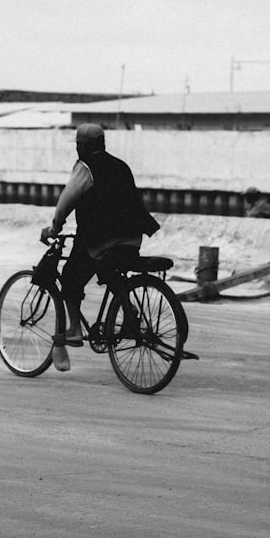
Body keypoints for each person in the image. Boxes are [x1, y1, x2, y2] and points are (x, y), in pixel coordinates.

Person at [41, 123, 160, 370]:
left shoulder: (85, 167)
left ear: (82, 146)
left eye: (78, 145)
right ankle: (129, 315)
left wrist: (55, 228)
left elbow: (67, 200)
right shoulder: (121, 165)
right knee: (109, 272)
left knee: (71, 277)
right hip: (132, 238)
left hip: (101, 239)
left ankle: (73, 329)